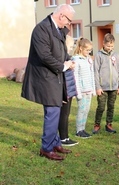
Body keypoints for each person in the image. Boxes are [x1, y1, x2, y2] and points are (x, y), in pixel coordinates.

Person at [21, 4, 75, 161]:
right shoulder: (42, 29)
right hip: (44, 77)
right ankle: (46, 148)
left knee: (55, 110)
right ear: (61, 16)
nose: (69, 24)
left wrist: (69, 60)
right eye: (69, 20)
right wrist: (63, 66)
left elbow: (62, 52)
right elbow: (44, 55)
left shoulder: (58, 29)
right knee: (52, 111)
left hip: (55, 76)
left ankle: (55, 142)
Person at [93, 33, 119, 134]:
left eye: (112, 46)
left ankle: (109, 124)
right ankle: (97, 125)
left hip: (114, 87)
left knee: (111, 106)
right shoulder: (99, 55)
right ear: (103, 44)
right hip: (102, 88)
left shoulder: (116, 55)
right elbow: (96, 71)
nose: (110, 48)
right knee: (101, 107)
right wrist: (98, 87)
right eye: (108, 46)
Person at [72, 37, 96, 138]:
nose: (89, 52)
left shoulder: (88, 60)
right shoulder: (76, 60)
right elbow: (75, 77)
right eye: (87, 50)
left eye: (90, 50)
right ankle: (78, 130)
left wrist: (93, 89)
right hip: (81, 91)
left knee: (86, 110)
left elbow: (92, 74)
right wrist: (78, 92)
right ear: (81, 48)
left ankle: (83, 128)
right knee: (81, 110)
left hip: (89, 90)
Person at [58, 35, 78, 146]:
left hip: (69, 91)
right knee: (63, 114)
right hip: (64, 92)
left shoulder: (68, 58)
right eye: (70, 46)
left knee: (66, 114)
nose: (71, 49)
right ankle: (63, 137)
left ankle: (65, 136)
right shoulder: (60, 60)